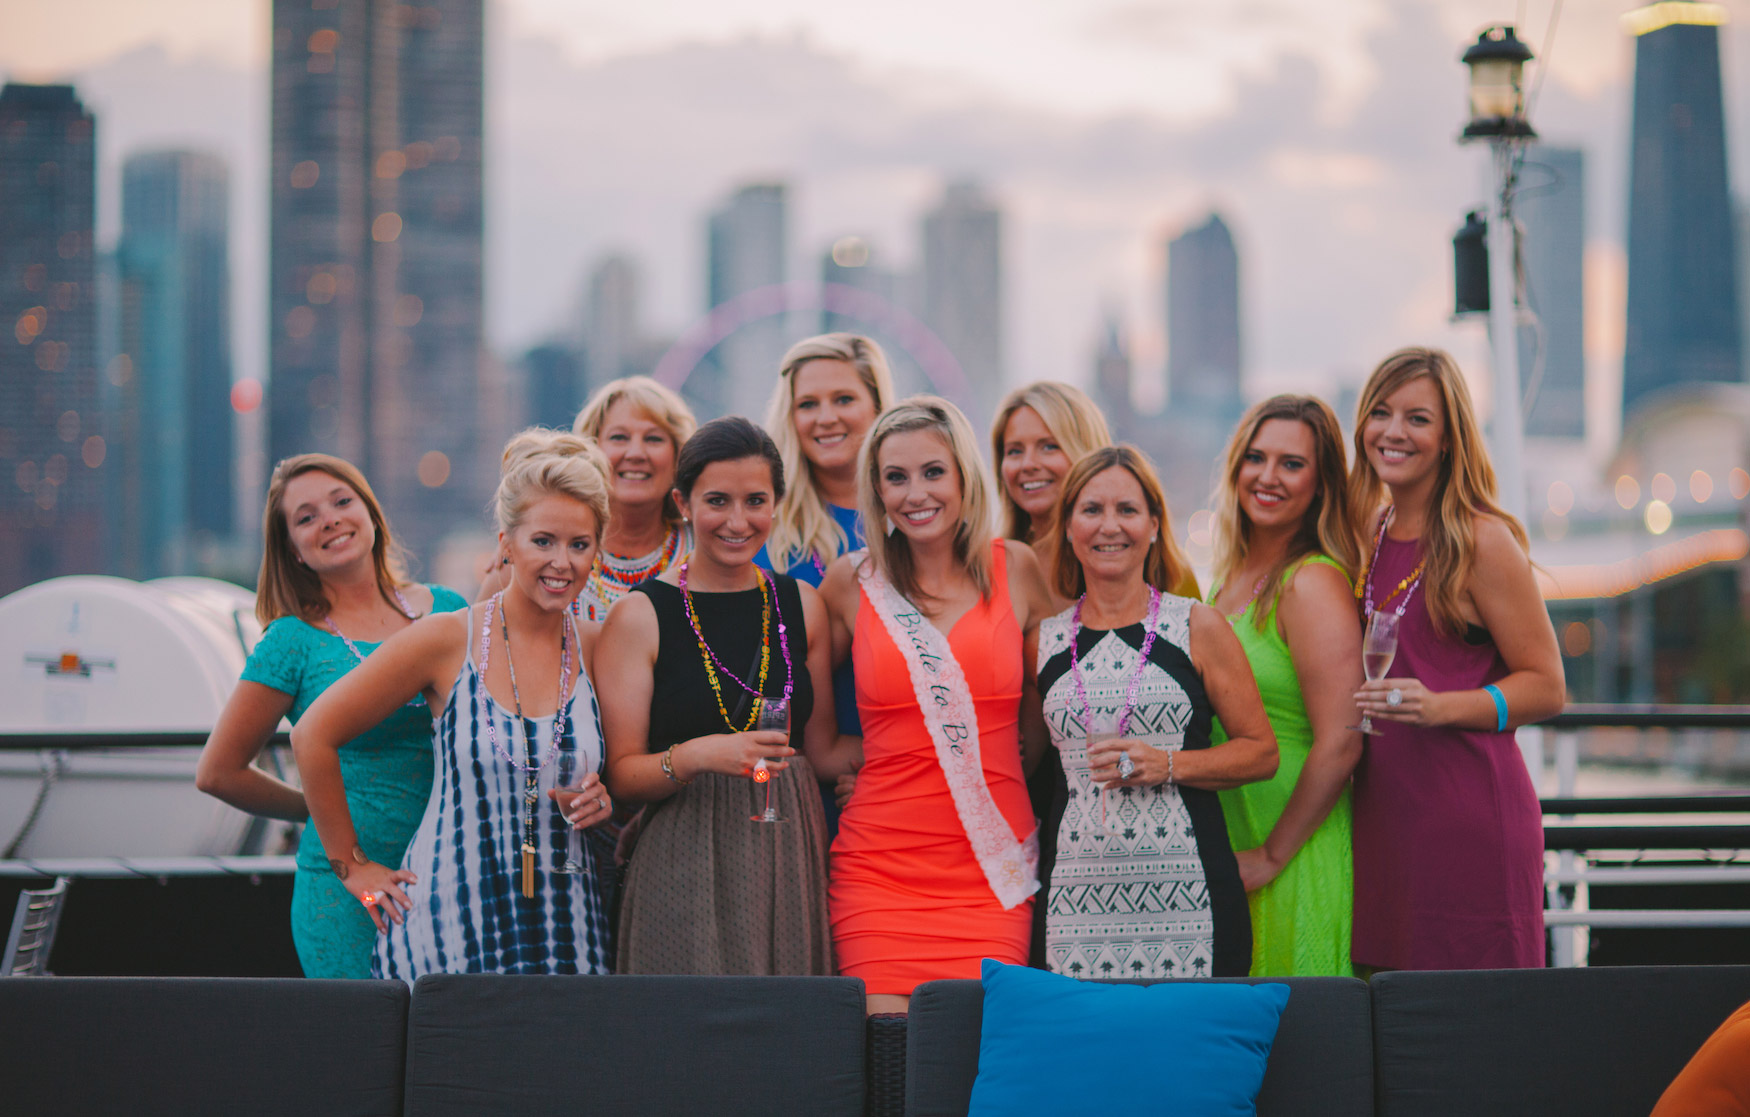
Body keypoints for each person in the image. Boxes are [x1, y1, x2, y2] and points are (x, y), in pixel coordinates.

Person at [291, 430, 619, 979]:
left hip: (568, 922)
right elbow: (311, 735)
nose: (561, 562)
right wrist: (352, 867)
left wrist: (603, 803)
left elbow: (623, 772)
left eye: (579, 545)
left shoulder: (598, 647)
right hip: (454, 921)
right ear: (506, 543)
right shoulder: (449, 639)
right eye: (543, 541)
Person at [818, 396, 1056, 1013]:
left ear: (963, 478)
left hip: (991, 872)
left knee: (978, 1065)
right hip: (879, 873)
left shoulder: (1018, 570)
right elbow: (816, 743)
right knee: (887, 1064)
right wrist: (896, 762)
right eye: (895, 477)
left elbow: (1056, 707)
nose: (915, 492)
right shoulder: (851, 582)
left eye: (932, 472)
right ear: (876, 489)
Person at [196, 454, 467, 979]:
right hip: (348, 893)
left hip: (452, 873)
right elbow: (218, 771)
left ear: (370, 512)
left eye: (342, 502)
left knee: (448, 1046)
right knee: (365, 1050)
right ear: (293, 551)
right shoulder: (291, 641)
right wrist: (322, 818)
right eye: (306, 517)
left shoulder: (447, 610)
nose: (330, 520)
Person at [598, 417, 849, 976]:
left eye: (755, 500)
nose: (738, 521)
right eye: (717, 501)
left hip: (787, 843)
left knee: (785, 1033)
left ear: (777, 503)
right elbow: (621, 777)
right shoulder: (641, 616)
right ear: (683, 503)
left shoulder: (802, 604)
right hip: (683, 847)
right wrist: (700, 755)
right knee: (683, 1036)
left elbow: (824, 749)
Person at [1347, 346, 1564, 971]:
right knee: (1393, 1018)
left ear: (1448, 438)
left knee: (1477, 1025)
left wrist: (1440, 707)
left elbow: (1547, 686)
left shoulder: (1481, 540)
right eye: (1380, 413)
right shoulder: (1371, 533)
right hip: (1387, 823)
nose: (1394, 431)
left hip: (1469, 819)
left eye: (1418, 418)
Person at [1033, 445, 1276, 980]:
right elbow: (1025, 759)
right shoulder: (1043, 640)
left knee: (1189, 1058)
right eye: (1091, 510)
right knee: (1089, 1060)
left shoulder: (1198, 625)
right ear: (1069, 527)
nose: (1109, 526)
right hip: (1074, 903)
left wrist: (1169, 764)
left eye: (1127, 510)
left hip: (1188, 896)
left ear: (1153, 525)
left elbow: (1262, 753)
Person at [1207, 396, 1363, 977]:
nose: (1267, 477)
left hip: (1292, 852)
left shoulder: (1312, 582)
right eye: (1256, 458)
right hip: (1237, 845)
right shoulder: (1225, 580)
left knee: (1301, 1045)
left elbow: (1344, 739)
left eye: (1292, 464)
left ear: (1322, 484)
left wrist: (1273, 855)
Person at [754, 333, 896, 829]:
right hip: (796, 796)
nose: (826, 417)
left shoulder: (921, 521)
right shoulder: (763, 534)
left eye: (844, 399)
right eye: (808, 404)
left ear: (878, 405)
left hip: (909, 780)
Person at [991, 381, 1199, 603]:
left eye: (1049, 446)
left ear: (1087, 454)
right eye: (1014, 451)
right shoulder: (988, 570)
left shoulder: (1166, 570)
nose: (1028, 464)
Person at [569, 376, 698, 621]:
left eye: (653, 439)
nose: (636, 453)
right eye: (619, 437)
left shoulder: (705, 548)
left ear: (678, 456)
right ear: (591, 450)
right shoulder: (554, 550)